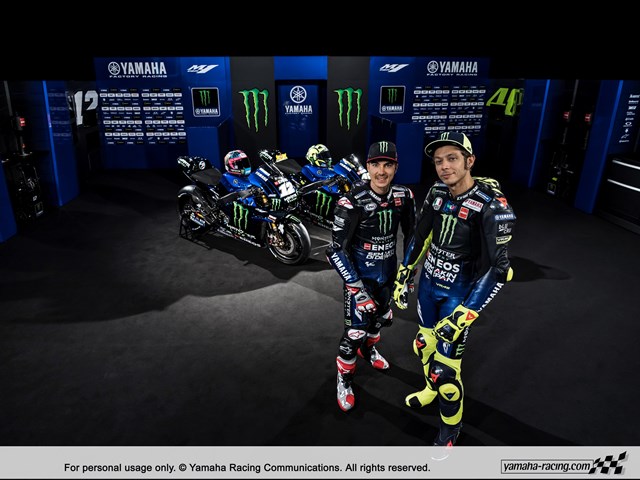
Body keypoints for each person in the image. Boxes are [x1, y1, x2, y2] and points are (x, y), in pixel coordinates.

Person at [392, 131, 516, 446]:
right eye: (438, 161)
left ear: (469, 161)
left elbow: (499, 270)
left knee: (447, 374)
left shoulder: (492, 205)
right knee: (424, 345)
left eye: (452, 158)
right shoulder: (436, 191)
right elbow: (420, 237)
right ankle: (429, 390)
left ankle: (450, 430)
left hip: (458, 296)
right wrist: (404, 274)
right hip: (428, 287)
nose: (444, 166)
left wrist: (464, 314)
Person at [326, 141, 416, 412]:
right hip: (360, 280)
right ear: (367, 166)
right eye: (376, 164)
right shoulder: (351, 201)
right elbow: (335, 251)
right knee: (354, 333)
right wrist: (356, 289)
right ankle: (344, 379)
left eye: (388, 164)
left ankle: (369, 350)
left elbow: (412, 236)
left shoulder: (404, 195)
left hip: (388, 277)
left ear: (396, 167)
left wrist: (407, 274)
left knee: (381, 320)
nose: (381, 171)